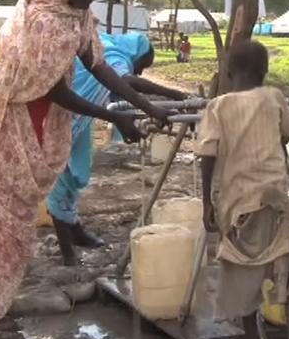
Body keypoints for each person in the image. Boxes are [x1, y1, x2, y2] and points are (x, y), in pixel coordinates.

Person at [0, 0, 169, 331]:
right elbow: (53, 91)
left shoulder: (78, 18)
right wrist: (114, 115)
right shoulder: (41, 20)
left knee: (14, 211)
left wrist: (144, 105)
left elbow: (99, 66)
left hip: (28, 113)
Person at [198, 40, 289, 339]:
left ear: (228, 74)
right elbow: (286, 134)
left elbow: (208, 154)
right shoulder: (274, 97)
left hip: (239, 204)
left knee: (244, 278)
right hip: (275, 199)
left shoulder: (218, 106)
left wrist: (206, 200)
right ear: (265, 72)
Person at [47, 32, 188, 265]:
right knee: (60, 178)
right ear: (139, 54)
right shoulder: (112, 53)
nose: (140, 72)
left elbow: (119, 101)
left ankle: (74, 229)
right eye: (142, 66)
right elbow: (126, 82)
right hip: (61, 117)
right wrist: (173, 94)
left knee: (77, 173)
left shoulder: (110, 46)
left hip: (80, 118)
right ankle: (68, 253)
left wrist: (133, 129)